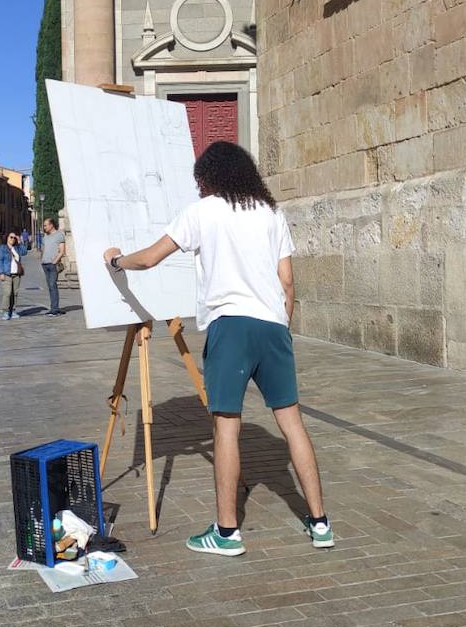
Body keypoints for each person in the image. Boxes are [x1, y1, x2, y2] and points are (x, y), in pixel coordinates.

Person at [100, 141, 333, 557]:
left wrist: (116, 261)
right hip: (274, 326)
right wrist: (284, 326)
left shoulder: (202, 211)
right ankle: (320, 523)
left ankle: (226, 532)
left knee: (227, 428)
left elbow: (152, 258)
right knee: (293, 424)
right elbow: (288, 281)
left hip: (231, 327)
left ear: (208, 178)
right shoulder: (270, 213)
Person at [0, 231, 27, 320]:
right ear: (7, 237)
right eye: (11, 237)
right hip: (7, 273)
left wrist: (20, 242)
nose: (12, 239)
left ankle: (13, 310)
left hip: (16, 273)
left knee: (15, 293)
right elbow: (0, 261)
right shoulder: (3, 248)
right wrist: (1, 273)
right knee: (7, 293)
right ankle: (6, 311)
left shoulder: (17, 248)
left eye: (14, 238)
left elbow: (25, 252)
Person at [40, 217, 66, 316]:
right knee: (50, 287)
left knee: (52, 285)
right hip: (45, 264)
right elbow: (44, 249)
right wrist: (42, 260)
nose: (44, 227)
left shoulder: (59, 235)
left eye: (46, 225)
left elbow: (62, 250)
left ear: (51, 225)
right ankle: (54, 308)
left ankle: (54, 309)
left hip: (53, 264)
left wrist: (55, 260)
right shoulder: (45, 237)